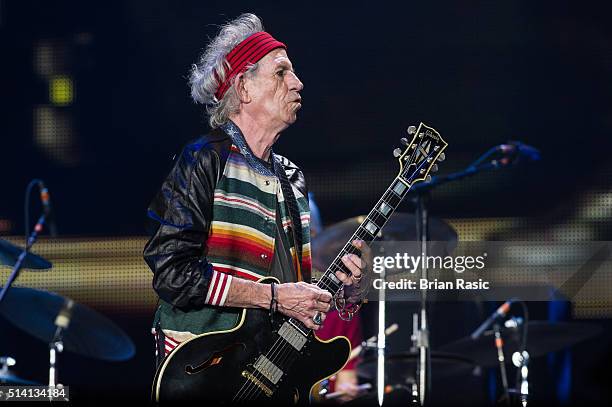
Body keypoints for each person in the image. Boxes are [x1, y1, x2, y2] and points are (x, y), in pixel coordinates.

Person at [143, 13, 367, 365]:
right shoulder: (204, 159)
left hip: (262, 369)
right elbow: (172, 273)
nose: (297, 83)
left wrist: (343, 294)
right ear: (244, 88)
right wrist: (274, 297)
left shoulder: (292, 178)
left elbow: (293, 294)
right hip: (202, 370)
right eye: (281, 72)